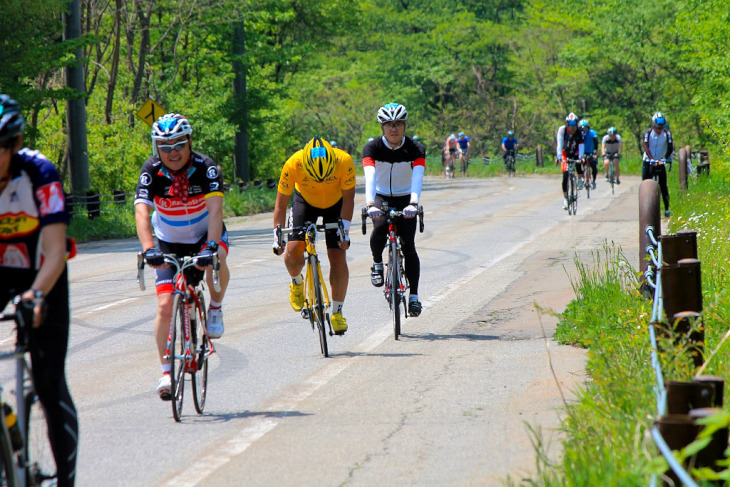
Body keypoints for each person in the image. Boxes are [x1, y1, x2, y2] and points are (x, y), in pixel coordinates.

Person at [0, 95, 79, 486]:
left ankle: (66, 480)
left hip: (41, 273)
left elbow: (54, 251)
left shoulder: (39, 173)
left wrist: (34, 295)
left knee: (47, 380)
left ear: (13, 146)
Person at [135, 113, 230, 400]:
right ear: (156, 148)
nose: (172, 152)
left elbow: (215, 211)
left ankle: (214, 306)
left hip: (204, 235)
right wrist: (149, 247)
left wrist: (211, 247)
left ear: (189, 143)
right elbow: (142, 211)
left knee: (219, 259)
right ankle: (166, 371)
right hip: (167, 242)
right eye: (165, 146)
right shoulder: (151, 170)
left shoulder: (206, 168)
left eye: (178, 144)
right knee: (165, 306)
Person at [273, 137, 355, 334]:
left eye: (324, 177)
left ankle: (337, 312)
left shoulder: (343, 161)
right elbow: (281, 205)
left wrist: (345, 231)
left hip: (335, 204)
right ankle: (297, 282)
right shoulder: (294, 163)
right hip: (305, 202)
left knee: (337, 255)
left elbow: (349, 199)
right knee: (293, 251)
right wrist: (277, 237)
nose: (320, 181)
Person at [363, 103, 425, 316]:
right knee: (379, 227)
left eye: (398, 124)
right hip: (380, 196)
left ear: (404, 126)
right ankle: (377, 262)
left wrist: (413, 204)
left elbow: (417, 177)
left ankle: (414, 296)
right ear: (382, 127)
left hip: (406, 198)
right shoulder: (372, 148)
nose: (394, 128)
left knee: (409, 246)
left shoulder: (415, 149)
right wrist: (370, 204)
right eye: (389, 124)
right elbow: (369, 176)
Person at [642, 112, 674, 217]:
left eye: (661, 128)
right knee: (645, 184)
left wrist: (665, 158)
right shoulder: (647, 133)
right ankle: (645, 207)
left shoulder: (667, 134)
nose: (659, 130)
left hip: (660, 160)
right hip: (648, 160)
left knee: (663, 185)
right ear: (653, 125)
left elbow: (670, 147)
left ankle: (666, 208)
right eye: (657, 128)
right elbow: (646, 146)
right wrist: (651, 159)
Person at [556, 113, 585, 209]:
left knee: (578, 163)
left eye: (574, 125)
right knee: (565, 175)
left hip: (575, 151)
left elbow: (581, 145)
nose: (572, 128)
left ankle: (580, 179)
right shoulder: (562, 130)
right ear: (567, 124)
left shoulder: (579, 131)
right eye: (570, 125)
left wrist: (581, 157)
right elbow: (559, 144)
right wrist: (559, 156)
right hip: (565, 152)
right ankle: (565, 199)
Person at [579, 119, 599, 189]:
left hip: (591, 152)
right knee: (580, 164)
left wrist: (595, 152)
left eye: (585, 127)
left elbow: (596, 142)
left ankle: (593, 181)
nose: (584, 129)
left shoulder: (592, 133)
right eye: (582, 128)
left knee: (594, 166)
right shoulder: (579, 134)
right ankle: (582, 178)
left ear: (588, 127)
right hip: (582, 152)